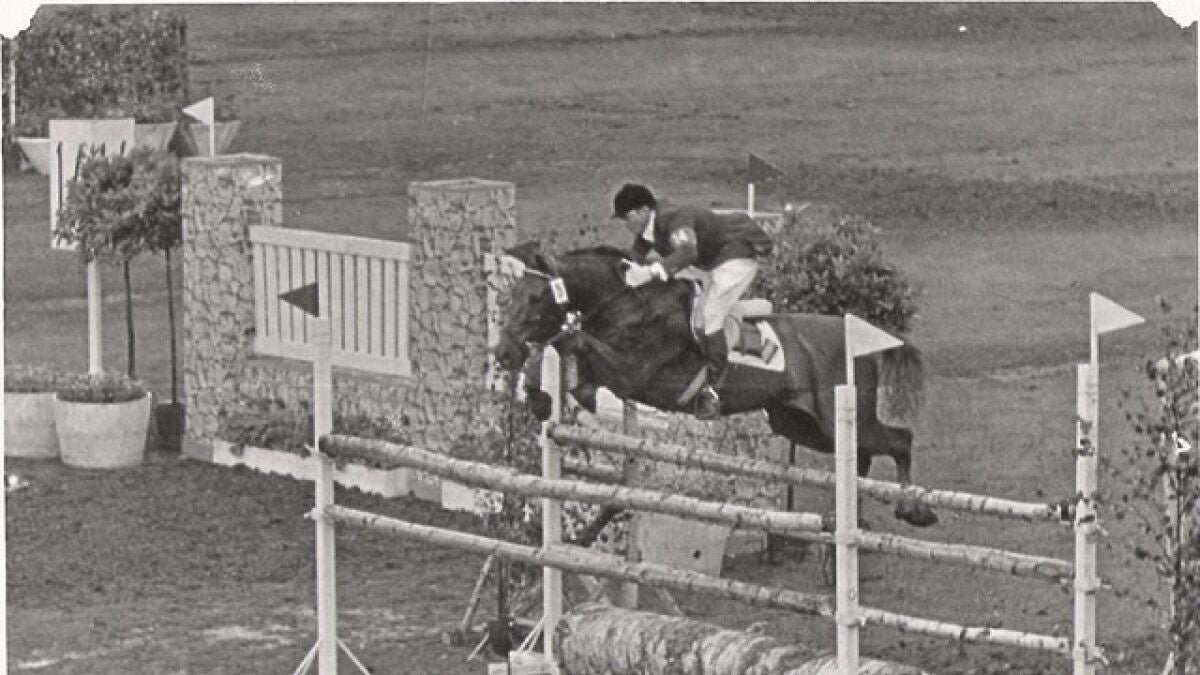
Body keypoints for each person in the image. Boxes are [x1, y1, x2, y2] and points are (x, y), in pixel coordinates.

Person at [611, 182, 773, 419]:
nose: (625, 224)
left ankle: (714, 389)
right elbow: (632, 259)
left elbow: (688, 252)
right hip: (713, 263)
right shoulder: (649, 230)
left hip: (736, 258)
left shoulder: (673, 217)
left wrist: (651, 271)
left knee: (709, 318)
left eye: (627, 218)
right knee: (688, 303)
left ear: (644, 210)